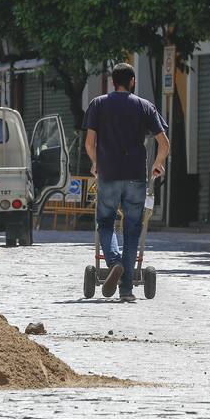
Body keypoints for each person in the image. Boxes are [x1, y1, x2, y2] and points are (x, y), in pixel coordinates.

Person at [85, 63, 170, 303]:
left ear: (113, 81)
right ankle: (126, 290)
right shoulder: (145, 106)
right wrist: (158, 163)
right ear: (132, 81)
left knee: (105, 221)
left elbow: (89, 143)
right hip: (136, 176)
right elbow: (164, 143)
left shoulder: (98, 104)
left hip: (109, 174)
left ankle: (113, 262)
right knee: (133, 229)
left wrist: (95, 162)